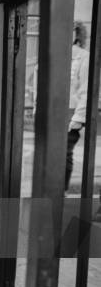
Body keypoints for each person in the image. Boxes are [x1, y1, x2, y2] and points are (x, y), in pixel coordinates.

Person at [65, 21, 90, 191]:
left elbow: (86, 89)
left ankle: (61, 191)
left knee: (64, 153)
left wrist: (78, 118)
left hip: (70, 111)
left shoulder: (84, 56)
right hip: (53, 110)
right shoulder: (54, 53)